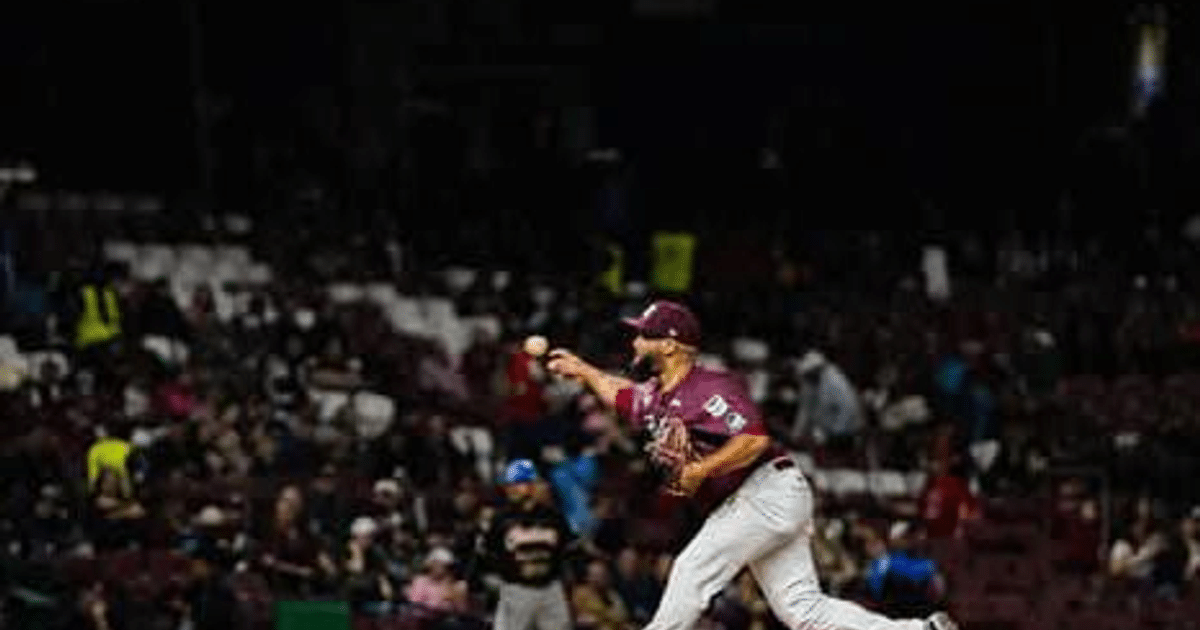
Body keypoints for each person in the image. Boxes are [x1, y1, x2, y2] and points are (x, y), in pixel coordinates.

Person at [547, 300, 958, 630]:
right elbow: (621, 393)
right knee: (803, 611)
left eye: (643, 334)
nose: (635, 341)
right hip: (762, 499)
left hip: (764, 490)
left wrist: (701, 470)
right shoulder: (658, 396)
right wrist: (583, 371)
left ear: (669, 345)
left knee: (691, 569)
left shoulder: (708, 388)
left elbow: (753, 439)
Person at [481, 459, 574, 630]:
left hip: (550, 588)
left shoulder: (554, 517)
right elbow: (488, 552)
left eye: (517, 483)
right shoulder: (501, 518)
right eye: (509, 484)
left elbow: (566, 551)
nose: (511, 488)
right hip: (517, 589)